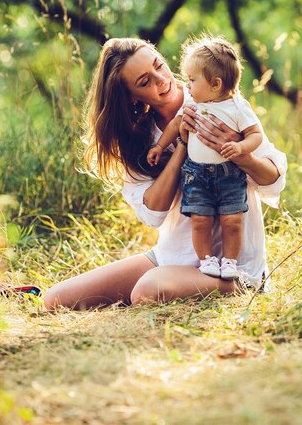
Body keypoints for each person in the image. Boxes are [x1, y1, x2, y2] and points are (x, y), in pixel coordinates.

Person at [43, 38, 287, 311]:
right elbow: (153, 213)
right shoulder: (139, 138)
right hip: (174, 257)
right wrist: (182, 145)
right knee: (56, 300)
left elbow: (273, 182)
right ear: (132, 97)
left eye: (159, 65)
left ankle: (246, 285)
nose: (161, 80)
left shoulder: (221, 101)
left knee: (147, 290)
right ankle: (174, 282)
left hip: (232, 265)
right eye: (145, 82)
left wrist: (239, 153)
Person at [147, 36, 263, 280]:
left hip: (229, 177)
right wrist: (159, 146)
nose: (186, 86)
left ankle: (230, 262)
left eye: (192, 80)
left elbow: (256, 135)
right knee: (200, 220)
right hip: (196, 175)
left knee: (232, 221)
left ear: (216, 84)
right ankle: (206, 260)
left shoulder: (237, 107)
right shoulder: (194, 104)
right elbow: (176, 125)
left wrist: (241, 148)